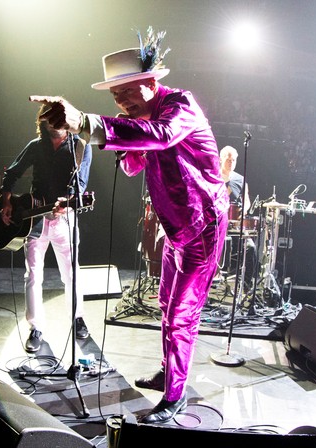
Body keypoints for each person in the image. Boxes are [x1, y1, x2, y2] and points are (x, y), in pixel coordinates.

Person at [31, 28, 229, 424]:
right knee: (165, 307)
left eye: (126, 91)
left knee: (181, 315)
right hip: (175, 228)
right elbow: (135, 163)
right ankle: (169, 370)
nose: (119, 100)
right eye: (114, 95)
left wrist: (89, 122)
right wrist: (120, 141)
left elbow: (163, 136)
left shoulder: (180, 106)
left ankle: (176, 396)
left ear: (152, 83)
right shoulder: (140, 117)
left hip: (202, 229)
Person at [0, 107, 92, 353]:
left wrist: (68, 200)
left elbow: (80, 184)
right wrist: (7, 200)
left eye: (58, 119)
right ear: (43, 121)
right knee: (33, 275)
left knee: (71, 273)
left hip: (65, 219)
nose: (54, 124)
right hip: (34, 220)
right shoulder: (36, 145)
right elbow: (13, 172)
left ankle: (78, 318)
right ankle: (36, 328)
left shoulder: (80, 146)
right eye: (50, 120)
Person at [220, 145, 256, 291]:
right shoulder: (213, 176)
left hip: (235, 224)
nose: (231, 162)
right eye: (228, 160)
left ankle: (246, 284)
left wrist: (243, 210)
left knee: (251, 248)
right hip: (217, 223)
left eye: (233, 160)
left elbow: (246, 201)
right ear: (221, 159)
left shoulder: (240, 180)